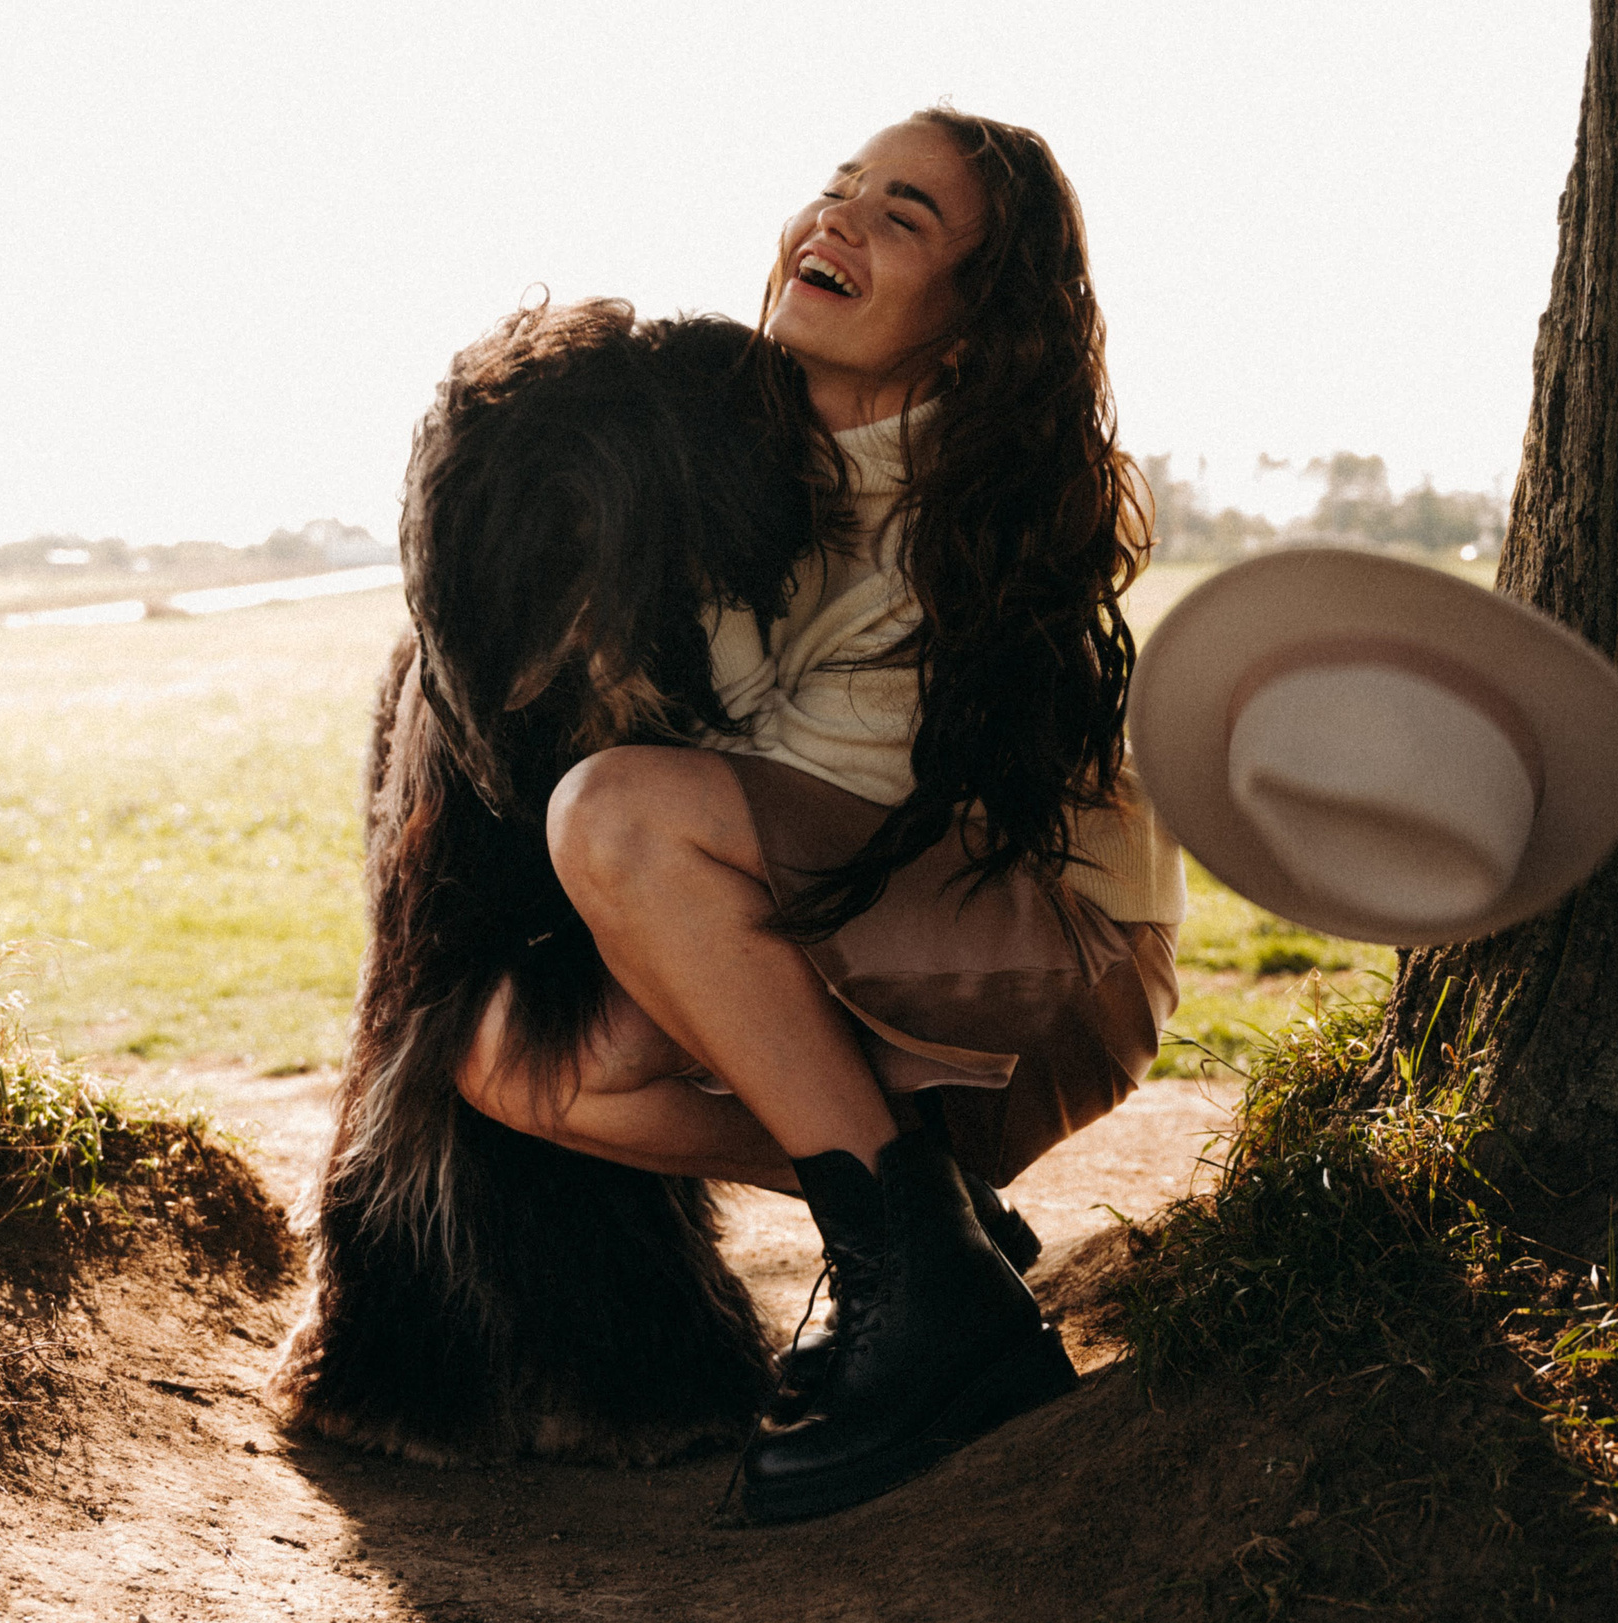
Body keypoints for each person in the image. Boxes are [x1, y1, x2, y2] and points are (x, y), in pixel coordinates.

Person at [456, 108, 1186, 1522]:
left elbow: (813, 790)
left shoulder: (986, 506)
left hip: (1051, 959)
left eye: (902, 216)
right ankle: (940, 1240)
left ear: (974, 328)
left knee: (615, 819)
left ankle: (927, 1317)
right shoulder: (740, 456)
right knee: (516, 1063)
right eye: (840, 188)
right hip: (854, 939)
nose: (837, 219)